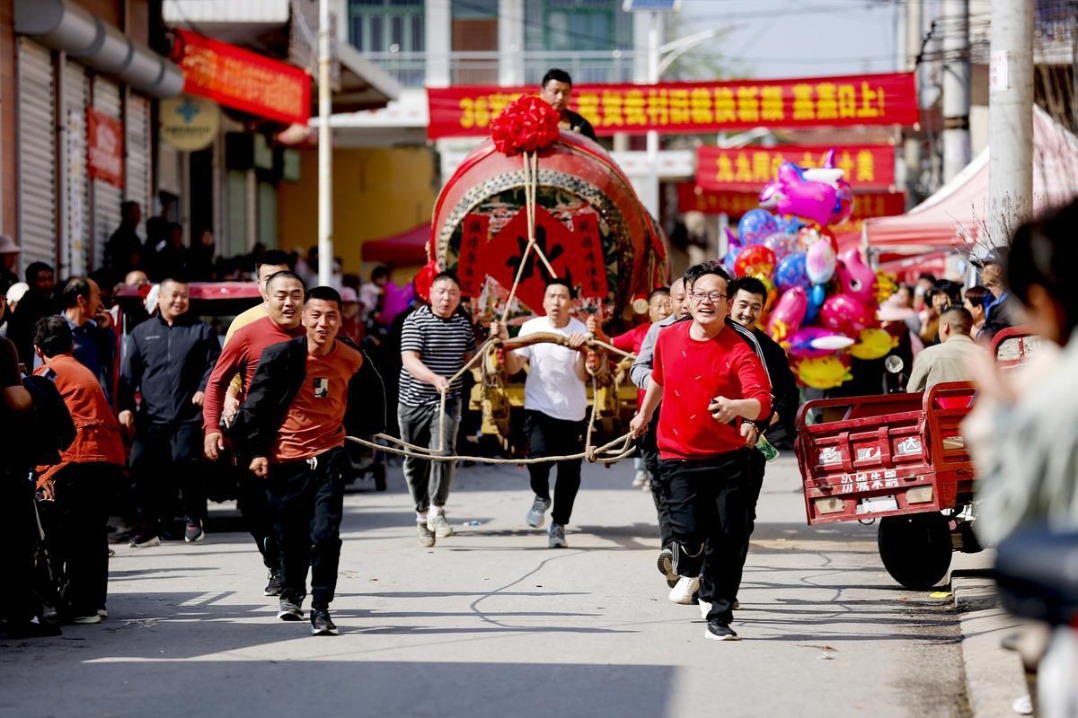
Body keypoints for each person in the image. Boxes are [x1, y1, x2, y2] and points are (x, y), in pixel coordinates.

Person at [629, 263, 771, 641]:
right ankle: (688, 560)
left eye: (716, 296)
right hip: (677, 454)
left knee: (730, 535)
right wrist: (643, 415)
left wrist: (738, 408)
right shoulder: (667, 338)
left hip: (728, 458)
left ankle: (719, 614)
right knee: (689, 534)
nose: (707, 301)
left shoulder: (740, 348)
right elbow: (659, 378)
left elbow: (761, 400)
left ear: (727, 304)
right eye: (700, 294)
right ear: (688, 299)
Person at [232, 286, 364, 636]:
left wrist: (365, 433)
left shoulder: (352, 358)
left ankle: (321, 607)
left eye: (331, 316)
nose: (324, 323)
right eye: (316, 315)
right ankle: (291, 592)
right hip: (285, 458)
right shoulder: (281, 356)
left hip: (330, 455)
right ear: (304, 318)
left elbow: (369, 395)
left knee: (325, 534)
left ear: (341, 320)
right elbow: (256, 406)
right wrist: (257, 451)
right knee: (291, 535)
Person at [203, 270, 307, 596]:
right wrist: (211, 428)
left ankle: (290, 573)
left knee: (294, 510)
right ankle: (274, 560)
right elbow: (217, 382)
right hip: (253, 439)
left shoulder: (317, 333)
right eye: (281, 295)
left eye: (296, 295)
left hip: (303, 440)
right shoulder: (247, 334)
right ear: (266, 297)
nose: (289, 303)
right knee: (253, 508)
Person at [32, 317, 124, 624]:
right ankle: (94, 603)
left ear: (37, 349)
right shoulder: (83, 371)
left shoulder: (46, 374)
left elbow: (43, 428)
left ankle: (78, 604)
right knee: (93, 532)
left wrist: (42, 474)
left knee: (66, 535)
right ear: (72, 344)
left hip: (74, 460)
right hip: (106, 459)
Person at [119, 278, 221, 547]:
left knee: (185, 464)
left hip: (188, 415)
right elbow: (128, 376)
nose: (179, 301)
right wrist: (126, 407)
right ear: (160, 298)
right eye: (174, 296)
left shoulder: (200, 330)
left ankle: (193, 516)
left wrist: (203, 389)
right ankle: (147, 527)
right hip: (152, 417)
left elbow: (215, 366)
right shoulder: (141, 333)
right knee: (140, 469)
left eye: (184, 296)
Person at [496, 278, 589, 549]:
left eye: (562, 297)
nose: (557, 302)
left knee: (569, 474)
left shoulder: (580, 330)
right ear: (544, 301)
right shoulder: (530, 328)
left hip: (573, 411)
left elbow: (583, 374)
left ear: (572, 303)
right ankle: (540, 496)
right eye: (552, 296)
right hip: (538, 407)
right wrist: (506, 343)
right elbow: (513, 368)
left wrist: (582, 349)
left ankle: (559, 524)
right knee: (537, 460)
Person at [397, 272, 477, 547]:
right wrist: (433, 378)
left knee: (444, 453)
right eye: (441, 291)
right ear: (429, 293)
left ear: (459, 297)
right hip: (413, 400)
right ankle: (421, 515)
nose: (447, 297)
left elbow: (471, 362)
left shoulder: (462, 326)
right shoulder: (415, 321)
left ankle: (437, 510)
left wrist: (494, 343)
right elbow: (409, 359)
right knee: (415, 460)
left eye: (453, 292)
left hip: (447, 401)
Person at [588, 287, 673, 487]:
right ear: (648, 310)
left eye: (667, 305)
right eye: (658, 306)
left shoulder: (685, 332)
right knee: (652, 460)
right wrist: (595, 329)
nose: (663, 311)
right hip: (648, 409)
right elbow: (608, 342)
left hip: (674, 407)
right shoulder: (640, 333)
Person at [47, 277, 115, 401]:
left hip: (94, 407)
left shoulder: (95, 329)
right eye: (97, 297)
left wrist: (105, 330)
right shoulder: (52, 331)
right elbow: (43, 379)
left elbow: (110, 361)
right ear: (81, 299)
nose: (101, 304)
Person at [906, 306, 986, 392]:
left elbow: (912, 392)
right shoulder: (986, 355)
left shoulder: (927, 355)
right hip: (977, 405)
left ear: (945, 327)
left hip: (937, 405)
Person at [8, 262, 57, 365]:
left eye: (50, 279)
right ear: (31, 282)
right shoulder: (24, 308)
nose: (48, 284)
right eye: (42, 280)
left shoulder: (53, 305)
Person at [539, 68, 598, 142]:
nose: (560, 97)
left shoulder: (581, 124)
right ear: (542, 92)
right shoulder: (528, 121)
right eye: (555, 92)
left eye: (565, 93)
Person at [972, 246, 1017, 341]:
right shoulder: (993, 302)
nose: (982, 271)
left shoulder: (1011, 304)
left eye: (986, 264)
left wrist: (969, 328)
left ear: (998, 269)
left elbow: (991, 337)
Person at [103, 201, 143, 284]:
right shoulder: (123, 236)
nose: (139, 216)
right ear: (128, 215)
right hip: (125, 282)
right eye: (136, 212)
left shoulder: (132, 236)